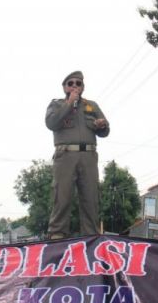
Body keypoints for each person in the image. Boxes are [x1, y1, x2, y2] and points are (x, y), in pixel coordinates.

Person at [45, 71, 110, 239]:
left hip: (88, 156)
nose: (74, 86)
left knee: (91, 198)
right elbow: (51, 123)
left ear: (83, 87)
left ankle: (91, 237)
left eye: (78, 83)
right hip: (65, 155)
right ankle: (57, 236)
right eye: (71, 83)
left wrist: (101, 125)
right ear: (64, 86)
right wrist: (69, 104)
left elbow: (105, 131)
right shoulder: (56, 105)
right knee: (62, 197)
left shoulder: (91, 105)